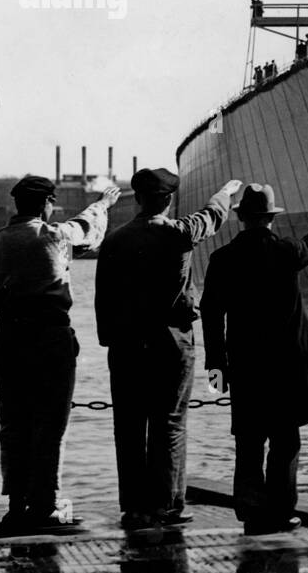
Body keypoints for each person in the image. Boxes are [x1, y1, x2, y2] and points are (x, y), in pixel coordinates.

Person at [0, 175, 120, 528]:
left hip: (9, 337)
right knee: (51, 425)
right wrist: (104, 203)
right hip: (51, 337)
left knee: (13, 424)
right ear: (48, 203)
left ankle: (17, 504)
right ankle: (46, 504)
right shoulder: (56, 237)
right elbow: (88, 228)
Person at [94, 168, 241, 529]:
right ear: (169, 200)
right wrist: (226, 190)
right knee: (170, 423)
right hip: (171, 341)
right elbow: (213, 215)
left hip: (127, 344)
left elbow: (103, 299)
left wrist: (109, 339)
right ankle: (167, 506)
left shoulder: (114, 241)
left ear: (138, 199)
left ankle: (133, 507)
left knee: (128, 425)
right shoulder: (179, 233)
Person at [200, 184, 308, 534]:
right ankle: (281, 512)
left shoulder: (222, 259)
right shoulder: (286, 251)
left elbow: (209, 313)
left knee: (249, 440)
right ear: (270, 218)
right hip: (286, 366)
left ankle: (252, 513)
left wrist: (216, 366)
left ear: (241, 218)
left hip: (245, 364)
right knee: (285, 440)